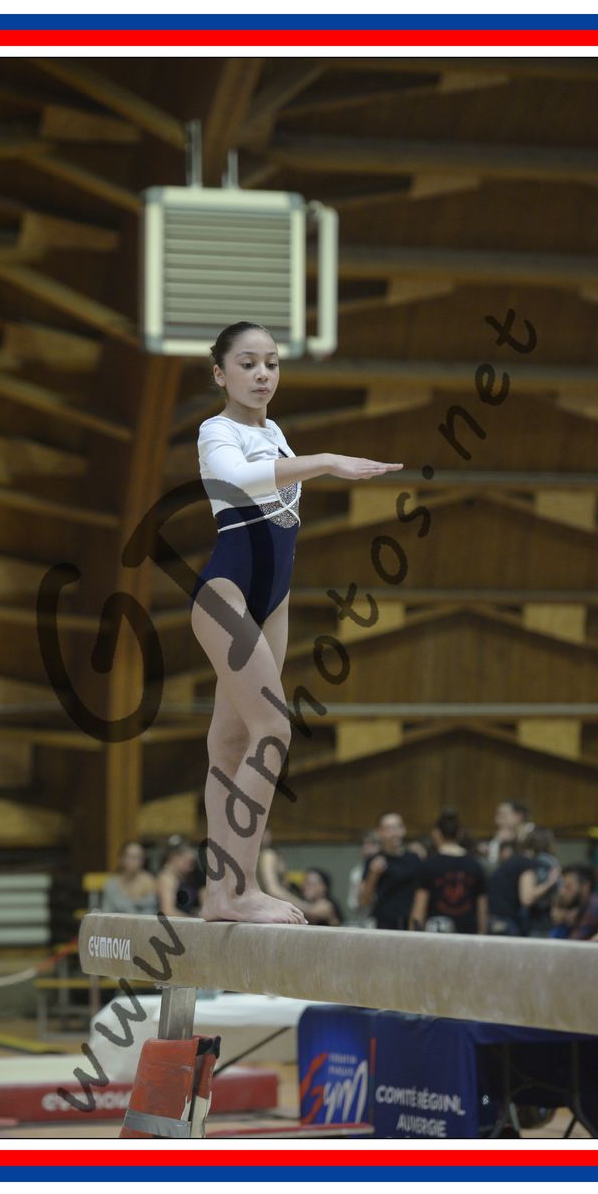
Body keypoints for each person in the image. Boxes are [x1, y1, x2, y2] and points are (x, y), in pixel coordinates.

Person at [188, 321, 402, 924]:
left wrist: (310, 461)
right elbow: (239, 481)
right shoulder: (216, 431)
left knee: (230, 743)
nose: (262, 374)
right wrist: (327, 460)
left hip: (272, 600)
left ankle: (219, 893)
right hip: (227, 594)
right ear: (220, 374)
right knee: (273, 729)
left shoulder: (275, 433)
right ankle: (242, 889)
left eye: (272, 363)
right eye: (248, 364)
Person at [409, 809, 488, 934]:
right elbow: (482, 911)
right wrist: (482, 936)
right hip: (467, 937)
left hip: (436, 937)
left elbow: (419, 911)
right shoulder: (475, 866)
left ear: (436, 833)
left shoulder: (428, 865)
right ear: (460, 833)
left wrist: (413, 936)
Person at [358, 812, 422, 930]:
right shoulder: (373, 861)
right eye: (389, 828)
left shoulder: (415, 859)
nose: (394, 833)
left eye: (398, 827)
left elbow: (421, 894)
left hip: (411, 922)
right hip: (385, 924)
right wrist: (373, 874)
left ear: (403, 830)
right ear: (379, 832)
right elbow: (363, 901)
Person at [519, 828, 562, 937]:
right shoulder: (549, 861)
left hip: (539, 914)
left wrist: (549, 883)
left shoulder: (542, 862)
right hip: (543, 914)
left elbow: (531, 893)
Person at [555, 864, 598, 941]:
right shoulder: (581, 906)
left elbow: (574, 944)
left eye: (568, 887)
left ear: (585, 887)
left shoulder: (596, 907)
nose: (562, 892)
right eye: (562, 886)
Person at [100, 840, 158, 915]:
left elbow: (153, 912)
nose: (135, 861)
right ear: (121, 859)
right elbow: (106, 913)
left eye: (139, 857)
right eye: (131, 857)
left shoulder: (149, 881)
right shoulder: (111, 884)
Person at [156, 837, 204, 918]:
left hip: (185, 919)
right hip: (176, 922)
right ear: (173, 857)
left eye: (192, 863)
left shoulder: (189, 875)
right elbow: (167, 911)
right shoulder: (167, 879)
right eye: (187, 862)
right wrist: (193, 920)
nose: (191, 868)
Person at [486, 800, 533, 868]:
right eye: (497, 815)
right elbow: (492, 862)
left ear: (518, 816)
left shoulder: (533, 833)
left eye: (503, 816)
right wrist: (497, 841)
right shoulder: (502, 836)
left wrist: (517, 839)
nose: (497, 820)